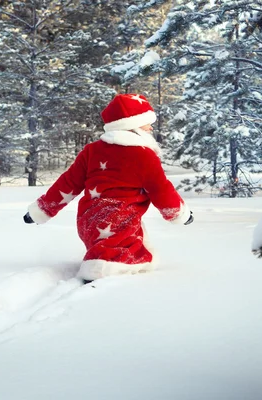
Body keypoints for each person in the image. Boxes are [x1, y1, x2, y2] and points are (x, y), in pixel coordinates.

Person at [23, 93, 193, 282]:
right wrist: (180, 214)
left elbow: (67, 184)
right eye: (147, 122)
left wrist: (41, 210)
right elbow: (162, 190)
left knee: (112, 242)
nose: (151, 127)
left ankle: (99, 262)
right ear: (133, 125)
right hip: (120, 219)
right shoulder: (144, 155)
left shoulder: (92, 150)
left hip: (89, 220)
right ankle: (102, 269)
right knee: (126, 253)